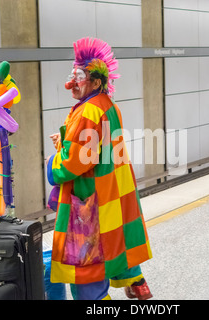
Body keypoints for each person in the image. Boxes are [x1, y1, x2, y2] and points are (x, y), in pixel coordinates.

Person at [46, 37, 153, 300]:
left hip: (91, 199)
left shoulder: (87, 112)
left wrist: (53, 164)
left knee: (86, 271)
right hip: (112, 193)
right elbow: (97, 148)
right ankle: (137, 284)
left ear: (95, 82)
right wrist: (66, 141)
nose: (72, 81)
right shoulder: (107, 105)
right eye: (72, 74)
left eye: (79, 76)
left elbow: (76, 162)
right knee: (115, 248)